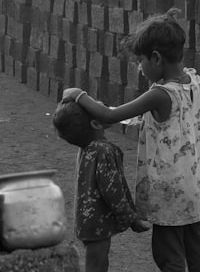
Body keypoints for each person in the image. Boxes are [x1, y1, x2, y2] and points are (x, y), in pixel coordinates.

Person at [62, 8, 200, 272]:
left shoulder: (160, 94)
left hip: (170, 192)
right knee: (193, 247)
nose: (139, 68)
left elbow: (110, 114)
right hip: (196, 187)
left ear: (157, 58)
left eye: (140, 61)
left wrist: (78, 94)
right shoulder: (194, 82)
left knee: (168, 255)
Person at [52, 99, 150, 272]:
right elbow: (112, 191)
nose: (105, 107)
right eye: (100, 108)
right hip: (98, 222)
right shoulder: (103, 151)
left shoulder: (87, 148)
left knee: (99, 264)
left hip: (87, 220)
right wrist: (131, 218)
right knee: (97, 266)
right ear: (96, 124)